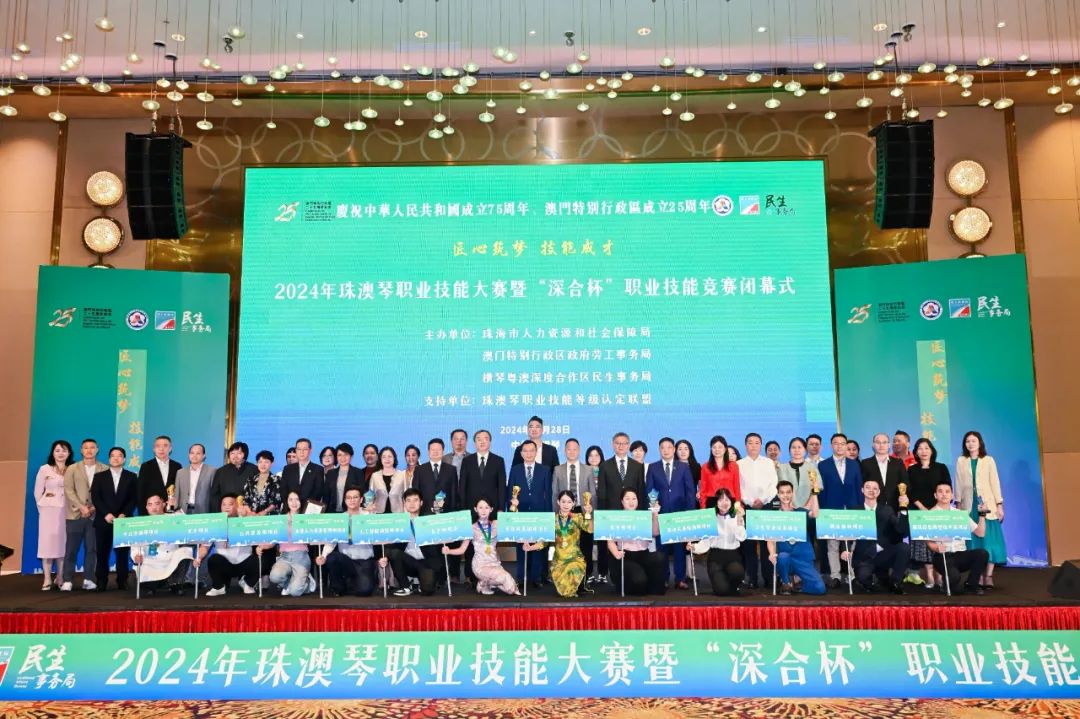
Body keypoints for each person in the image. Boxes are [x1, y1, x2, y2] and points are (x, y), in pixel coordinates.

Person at [954, 430, 1006, 589]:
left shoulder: (988, 460)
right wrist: (958, 503)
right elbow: (958, 483)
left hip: (987, 506)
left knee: (990, 542)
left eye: (973, 441)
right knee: (974, 544)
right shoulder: (961, 460)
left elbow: (995, 483)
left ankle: (988, 576)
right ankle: (975, 575)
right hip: (969, 507)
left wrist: (999, 504)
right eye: (967, 441)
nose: (970, 444)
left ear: (980, 443)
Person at [841, 478, 910, 594]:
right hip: (864, 556)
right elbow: (847, 532)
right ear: (862, 490)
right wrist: (844, 549)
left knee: (904, 547)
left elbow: (901, 530)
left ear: (878, 492)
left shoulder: (887, 510)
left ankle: (895, 582)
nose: (871, 490)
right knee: (864, 579)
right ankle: (873, 581)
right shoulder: (855, 510)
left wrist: (903, 509)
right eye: (868, 487)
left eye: (875, 488)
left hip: (883, 553)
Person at [318, 487, 388, 597]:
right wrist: (323, 556)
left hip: (364, 562)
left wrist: (382, 557)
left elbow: (379, 538)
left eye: (355, 497)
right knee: (332, 558)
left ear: (361, 500)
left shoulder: (368, 516)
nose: (352, 500)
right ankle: (339, 587)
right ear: (345, 500)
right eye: (349, 498)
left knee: (365, 591)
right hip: (346, 561)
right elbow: (331, 541)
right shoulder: (340, 519)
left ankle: (352, 584)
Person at [522, 490, 594, 598]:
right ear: (558, 502)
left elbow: (590, 529)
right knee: (564, 591)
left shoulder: (577, 517)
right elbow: (544, 541)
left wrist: (588, 514)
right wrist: (530, 547)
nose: (566, 505)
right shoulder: (552, 520)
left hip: (575, 559)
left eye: (569, 502)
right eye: (563, 501)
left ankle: (577, 585)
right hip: (559, 562)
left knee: (569, 588)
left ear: (574, 503)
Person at [442, 497, 520, 596]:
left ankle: (484, 583)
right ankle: (485, 581)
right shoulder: (471, 527)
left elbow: (512, 523)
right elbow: (462, 549)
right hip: (480, 565)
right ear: (475, 509)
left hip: (495, 563)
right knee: (505, 578)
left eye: (487, 507)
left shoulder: (496, 524)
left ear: (491, 509)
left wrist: (515, 508)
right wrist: (449, 551)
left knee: (511, 589)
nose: (483, 510)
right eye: (480, 507)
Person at [646, 437, 695, 589]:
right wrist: (654, 507)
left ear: (673, 449)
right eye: (663, 447)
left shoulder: (683, 467)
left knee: (679, 548)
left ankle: (680, 579)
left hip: (679, 514)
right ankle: (664, 578)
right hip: (661, 514)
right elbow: (650, 490)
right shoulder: (653, 467)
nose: (666, 450)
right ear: (659, 450)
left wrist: (690, 513)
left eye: (669, 447)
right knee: (662, 548)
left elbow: (690, 491)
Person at [927, 479, 990, 595]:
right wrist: (936, 548)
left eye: (947, 491)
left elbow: (980, 533)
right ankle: (947, 582)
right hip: (942, 556)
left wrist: (982, 515)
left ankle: (971, 584)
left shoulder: (959, 514)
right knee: (955, 581)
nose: (944, 494)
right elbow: (929, 542)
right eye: (940, 491)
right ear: (935, 495)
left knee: (982, 554)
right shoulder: (930, 515)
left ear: (952, 496)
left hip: (960, 555)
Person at [818, 432, 863, 588]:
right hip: (831, 510)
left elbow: (859, 487)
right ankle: (835, 576)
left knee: (852, 544)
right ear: (831, 446)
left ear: (846, 446)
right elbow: (821, 491)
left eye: (842, 443)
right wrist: (823, 512)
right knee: (833, 545)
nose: (839, 446)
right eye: (836, 443)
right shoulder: (823, 465)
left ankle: (851, 574)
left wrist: (860, 508)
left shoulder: (854, 464)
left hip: (852, 509)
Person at [91, 446, 138, 592]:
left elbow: (133, 498)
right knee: (102, 553)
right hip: (104, 520)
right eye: (113, 456)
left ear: (124, 459)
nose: (116, 458)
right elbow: (96, 497)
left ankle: (122, 581)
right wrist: (106, 514)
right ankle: (101, 581)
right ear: (109, 459)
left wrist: (124, 513)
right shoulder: (99, 476)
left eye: (119, 456)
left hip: (123, 521)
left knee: (122, 553)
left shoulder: (131, 476)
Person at [907, 437, 952, 589]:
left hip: (939, 511)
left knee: (939, 542)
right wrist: (923, 509)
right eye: (920, 448)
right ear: (916, 452)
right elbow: (910, 491)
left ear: (932, 450)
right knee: (924, 545)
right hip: (919, 512)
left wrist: (936, 509)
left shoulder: (941, 467)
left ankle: (939, 576)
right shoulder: (912, 469)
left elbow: (947, 488)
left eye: (926, 448)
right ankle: (930, 577)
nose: (923, 451)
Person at [508, 440, 553, 588]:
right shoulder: (515, 470)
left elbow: (549, 494)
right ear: (521, 453)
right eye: (525, 451)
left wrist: (548, 516)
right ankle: (521, 577)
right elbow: (510, 492)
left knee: (538, 547)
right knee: (521, 546)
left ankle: (536, 577)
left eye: (531, 450)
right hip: (520, 514)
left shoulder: (545, 470)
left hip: (539, 513)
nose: (528, 453)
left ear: (536, 452)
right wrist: (511, 512)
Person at [767, 480, 825, 595]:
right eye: (782, 492)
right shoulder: (775, 516)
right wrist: (771, 553)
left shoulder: (800, 512)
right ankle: (786, 583)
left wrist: (814, 494)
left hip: (803, 558)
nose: (786, 495)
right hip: (786, 558)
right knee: (782, 557)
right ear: (778, 494)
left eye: (788, 492)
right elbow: (770, 539)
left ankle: (799, 586)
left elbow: (815, 514)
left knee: (819, 588)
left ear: (792, 493)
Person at [62, 438, 105, 591]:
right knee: (71, 549)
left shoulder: (104, 468)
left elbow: (105, 493)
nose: (89, 450)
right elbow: (68, 490)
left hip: (95, 516)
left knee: (92, 549)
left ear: (97, 450)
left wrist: (93, 508)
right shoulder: (72, 468)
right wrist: (81, 507)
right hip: (75, 515)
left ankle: (89, 579)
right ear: (81, 450)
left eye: (92, 447)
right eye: (86, 448)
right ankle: (67, 579)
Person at [606, 488, 666, 596]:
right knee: (639, 581)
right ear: (622, 501)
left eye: (634, 498)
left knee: (659, 557)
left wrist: (655, 515)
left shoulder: (643, 517)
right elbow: (610, 541)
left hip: (643, 554)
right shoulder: (616, 518)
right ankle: (628, 585)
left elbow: (655, 532)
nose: (631, 502)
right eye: (627, 499)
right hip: (626, 556)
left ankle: (653, 588)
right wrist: (616, 553)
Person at [195, 495, 259, 596]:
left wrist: (247, 516)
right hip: (225, 563)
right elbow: (205, 546)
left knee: (257, 560)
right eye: (224, 505)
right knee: (213, 559)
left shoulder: (245, 520)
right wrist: (198, 557)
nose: (227, 507)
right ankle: (219, 587)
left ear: (237, 506)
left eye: (230, 504)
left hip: (243, 561)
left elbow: (258, 527)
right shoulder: (215, 524)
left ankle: (247, 583)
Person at [738, 433, 779, 590]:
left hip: (766, 506)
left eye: (756, 442)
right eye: (750, 442)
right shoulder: (739, 464)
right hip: (747, 508)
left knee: (766, 545)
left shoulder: (768, 463)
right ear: (745, 445)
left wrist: (762, 499)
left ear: (761, 445)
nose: (753, 445)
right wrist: (750, 501)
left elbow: (773, 484)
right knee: (749, 546)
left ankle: (768, 578)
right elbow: (738, 487)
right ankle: (752, 578)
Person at [131, 494, 193, 596]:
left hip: (170, 559)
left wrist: (176, 508)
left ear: (164, 504)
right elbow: (135, 546)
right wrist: (136, 556)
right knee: (138, 577)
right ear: (146, 507)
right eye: (150, 504)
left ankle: (175, 584)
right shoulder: (141, 523)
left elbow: (185, 523)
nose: (153, 507)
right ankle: (154, 585)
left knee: (185, 551)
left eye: (157, 504)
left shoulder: (172, 517)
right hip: (151, 561)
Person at [689, 488, 746, 596]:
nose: (724, 503)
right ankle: (725, 586)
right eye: (720, 500)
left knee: (738, 573)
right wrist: (694, 547)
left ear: (731, 502)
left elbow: (741, 537)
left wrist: (739, 521)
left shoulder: (736, 517)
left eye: (727, 500)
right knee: (722, 590)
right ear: (716, 502)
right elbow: (706, 542)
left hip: (733, 555)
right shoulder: (710, 518)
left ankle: (732, 587)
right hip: (716, 557)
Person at [554, 438, 596, 583]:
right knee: (568, 544)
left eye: (574, 449)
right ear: (565, 451)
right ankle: (566, 575)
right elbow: (555, 493)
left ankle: (587, 575)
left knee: (586, 544)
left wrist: (592, 513)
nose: (571, 452)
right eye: (569, 449)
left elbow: (593, 493)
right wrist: (556, 515)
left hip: (584, 511)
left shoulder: (588, 469)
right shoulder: (558, 469)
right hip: (565, 512)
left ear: (579, 450)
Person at [388, 488, 442, 596]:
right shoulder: (399, 522)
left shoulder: (428, 520)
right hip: (408, 562)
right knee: (393, 553)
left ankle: (421, 584)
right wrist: (384, 556)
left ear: (421, 503)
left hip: (426, 562)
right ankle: (405, 587)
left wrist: (438, 514)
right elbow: (391, 545)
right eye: (408, 500)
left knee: (428, 590)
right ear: (404, 503)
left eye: (415, 500)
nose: (412, 504)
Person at [263, 490, 316, 597]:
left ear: (301, 501)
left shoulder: (306, 518)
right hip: (285, 557)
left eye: (297, 499)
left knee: (295, 592)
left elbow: (312, 539)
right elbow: (273, 541)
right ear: (287, 502)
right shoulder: (281, 519)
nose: (294, 502)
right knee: (274, 577)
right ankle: (288, 584)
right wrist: (262, 546)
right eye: (291, 499)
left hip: (301, 557)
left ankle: (308, 582)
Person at [36, 440, 72, 590]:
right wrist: (42, 507)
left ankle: (60, 576)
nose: (60, 453)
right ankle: (47, 578)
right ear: (52, 453)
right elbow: (37, 492)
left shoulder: (73, 468)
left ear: (69, 453)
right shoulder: (45, 469)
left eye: (64, 450)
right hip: (48, 511)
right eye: (57, 450)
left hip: (66, 511)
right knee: (46, 544)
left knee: (62, 543)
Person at [459, 429, 507, 518]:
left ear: (490, 442)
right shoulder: (467, 461)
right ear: (475, 443)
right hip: (471, 508)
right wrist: (462, 508)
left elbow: (501, 487)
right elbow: (462, 486)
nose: (482, 442)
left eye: (485, 439)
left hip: (492, 508)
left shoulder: (498, 461)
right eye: (479, 439)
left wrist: (501, 508)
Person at [860, 433, 907, 510]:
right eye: (878, 442)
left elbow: (905, 482)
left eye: (884, 442)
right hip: (873, 507)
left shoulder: (898, 463)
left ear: (889, 445)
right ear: (873, 445)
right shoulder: (865, 463)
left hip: (895, 507)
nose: (881, 445)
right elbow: (862, 485)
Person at [136, 435, 182, 513]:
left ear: (170, 448)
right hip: (152, 512)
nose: (161, 449)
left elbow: (180, 490)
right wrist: (143, 513)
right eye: (158, 446)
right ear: (154, 449)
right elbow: (140, 491)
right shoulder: (146, 466)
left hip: (172, 511)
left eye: (165, 445)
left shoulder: (177, 466)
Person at [412, 438, 458, 515]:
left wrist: (453, 512)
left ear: (443, 452)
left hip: (446, 512)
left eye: (438, 449)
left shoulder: (451, 469)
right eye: (433, 449)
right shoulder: (419, 470)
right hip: (425, 512)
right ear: (428, 452)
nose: (435, 452)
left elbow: (454, 493)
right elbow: (415, 492)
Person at [210, 441, 257, 512]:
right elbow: (215, 495)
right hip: (226, 512)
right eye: (232, 453)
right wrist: (218, 512)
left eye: (239, 453)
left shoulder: (254, 470)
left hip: (248, 512)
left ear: (245, 455)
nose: (235, 456)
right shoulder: (220, 471)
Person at [171, 443, 215, 515]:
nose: (194, 456)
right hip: (183, 511)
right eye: (192, 453)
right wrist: (175, 509)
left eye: (198, 453)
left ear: (204, 456)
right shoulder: (180, 472)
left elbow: (213, 495)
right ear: (189, 455)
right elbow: (177, 493)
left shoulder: (211, 471)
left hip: (203, 511)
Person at [698, 435, 740, 508]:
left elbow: (737, 487)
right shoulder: (705, 467)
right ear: (711, 449)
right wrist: (703, 507)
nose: (717, 449)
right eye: (714, 447)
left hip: (729, 501)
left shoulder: (733, 466)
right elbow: (703, 489)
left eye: (720, 447)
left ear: (725, 449)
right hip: (711, 502)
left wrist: (738, 506)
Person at [324, 442, 367, 513]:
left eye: (346, 454)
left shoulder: (358, 472)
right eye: (339, 455)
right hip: (332, 512)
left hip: (351, 512)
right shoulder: (331, 473)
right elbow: (326, 495)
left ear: (351, 456)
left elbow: (362, 493)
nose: (342, 458)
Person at [281, 438, 325, 506]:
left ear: (310, 450)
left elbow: (318, 493)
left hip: (309, 510)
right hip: (290, 509)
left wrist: (306, 508)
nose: (301, 452)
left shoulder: (318, 469)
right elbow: (283, 491)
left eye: (305, 449)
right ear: (296, 450)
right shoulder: (287, 469)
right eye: (299, 449)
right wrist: (291, 506)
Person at [776, 437, 813, 510]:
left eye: (799, 447)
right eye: (793, 447)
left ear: (805, 450)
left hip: (808, 509)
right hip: (787, 510)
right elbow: (777, 491)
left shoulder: (811, 468)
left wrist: (806, 508)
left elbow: (815, 490)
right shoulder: (781, 468)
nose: (797, 450)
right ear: (789, 450)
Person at [242, 450, 282, 515]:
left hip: (270, 516)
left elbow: (277, 501)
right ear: (257, 463)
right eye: (260, 462)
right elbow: (246, 500)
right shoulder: (250, 480)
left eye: (266, 462)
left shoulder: (277, 480)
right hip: (252, 516)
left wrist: (264, 512)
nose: (263, 465)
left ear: (272, 463)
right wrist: (250, 512)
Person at [370, 446, 408, 514]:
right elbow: (371, 496)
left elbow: (407, 496)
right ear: (380, 459)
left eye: (390, 456)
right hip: (378, 513)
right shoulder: (375, 476)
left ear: (394, 458)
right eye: (384, 457)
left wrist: (407, 514)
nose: (387, 459)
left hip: (398, 513)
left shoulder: (402, 475)